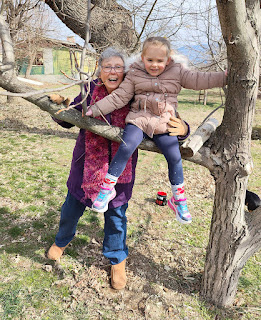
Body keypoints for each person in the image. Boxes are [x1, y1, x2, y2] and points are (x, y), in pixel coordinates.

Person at [47, 47, 189, 290]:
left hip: (119, 173)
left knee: (116, 218)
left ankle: (117, 259)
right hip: (85, 168)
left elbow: (164, 117)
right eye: (107, 67)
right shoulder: (89, 90)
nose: (113, 72)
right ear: (99, 70)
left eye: (118, 67)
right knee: (70, 210)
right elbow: (70, 118)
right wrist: (58, 107)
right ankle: (62, 241)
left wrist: (183, 127)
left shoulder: (138, 90)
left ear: (126, 70)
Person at [86, 36, 227, 224]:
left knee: (174, 156)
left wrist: (225, 77)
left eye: (160, 61)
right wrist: (94, 109)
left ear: (168, 60)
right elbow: (118, 97)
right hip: (138, 119)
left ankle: (178, 200)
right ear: (142, 58)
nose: (154, 65)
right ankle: (106, 189)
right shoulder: (135, 72)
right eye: (150, 60)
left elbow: (201, 79)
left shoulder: (177, 71)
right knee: (127, 147)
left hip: (164, 123)